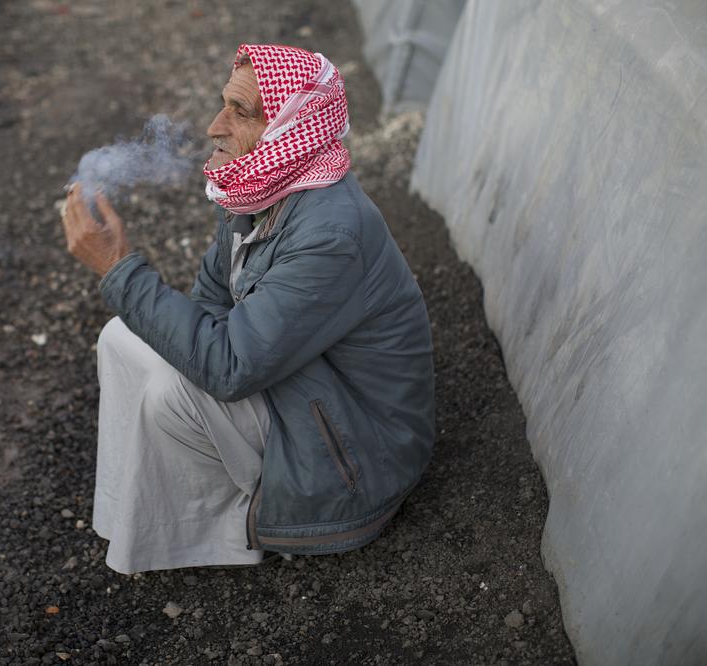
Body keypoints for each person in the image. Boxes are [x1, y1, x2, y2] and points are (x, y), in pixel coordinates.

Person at [60, 44, 435, 574]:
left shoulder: (331, 235)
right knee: (121, 336)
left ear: (289, 125)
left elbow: (229, 367)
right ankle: (135, 517)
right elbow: (210, 301)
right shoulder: (260, 192)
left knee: (174, 394)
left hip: (358, 460)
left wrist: (119, 268)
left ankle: (232, 525)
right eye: (224, 105)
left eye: (241, 111)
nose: (215, 126)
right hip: (314, 395)